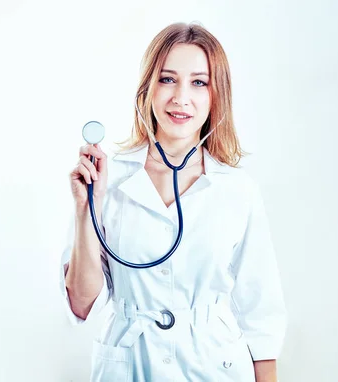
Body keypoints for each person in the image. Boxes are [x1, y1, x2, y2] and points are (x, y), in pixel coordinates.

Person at [59, 22, 287, 381]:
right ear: (147, 89)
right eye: (167, 79)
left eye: (199, 82)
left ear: (217, 95)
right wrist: (87, 206)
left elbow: (261, 310)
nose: (181, 98)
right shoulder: (108, 180)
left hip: (215, 364)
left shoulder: (236, 189)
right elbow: (82, 303)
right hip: (131, 362)